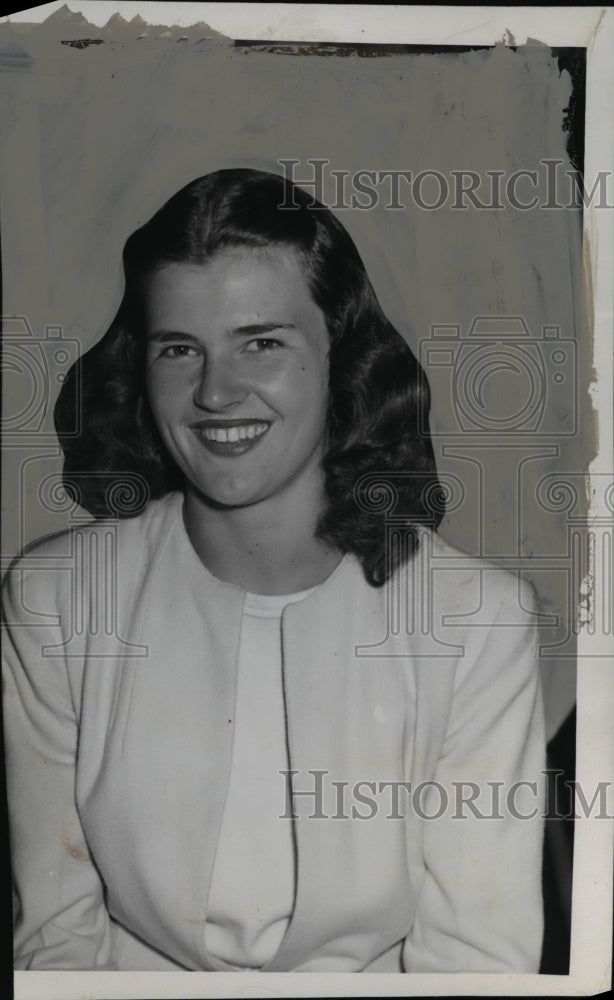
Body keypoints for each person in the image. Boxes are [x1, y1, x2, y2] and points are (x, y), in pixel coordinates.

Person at [2, 168, 545, 973]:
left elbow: (478, 961)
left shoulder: (478, 621)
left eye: (263, 342)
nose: (216, 392)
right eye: (180, 349)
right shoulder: (55, 601)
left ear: (343, 359)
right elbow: (54, 941)